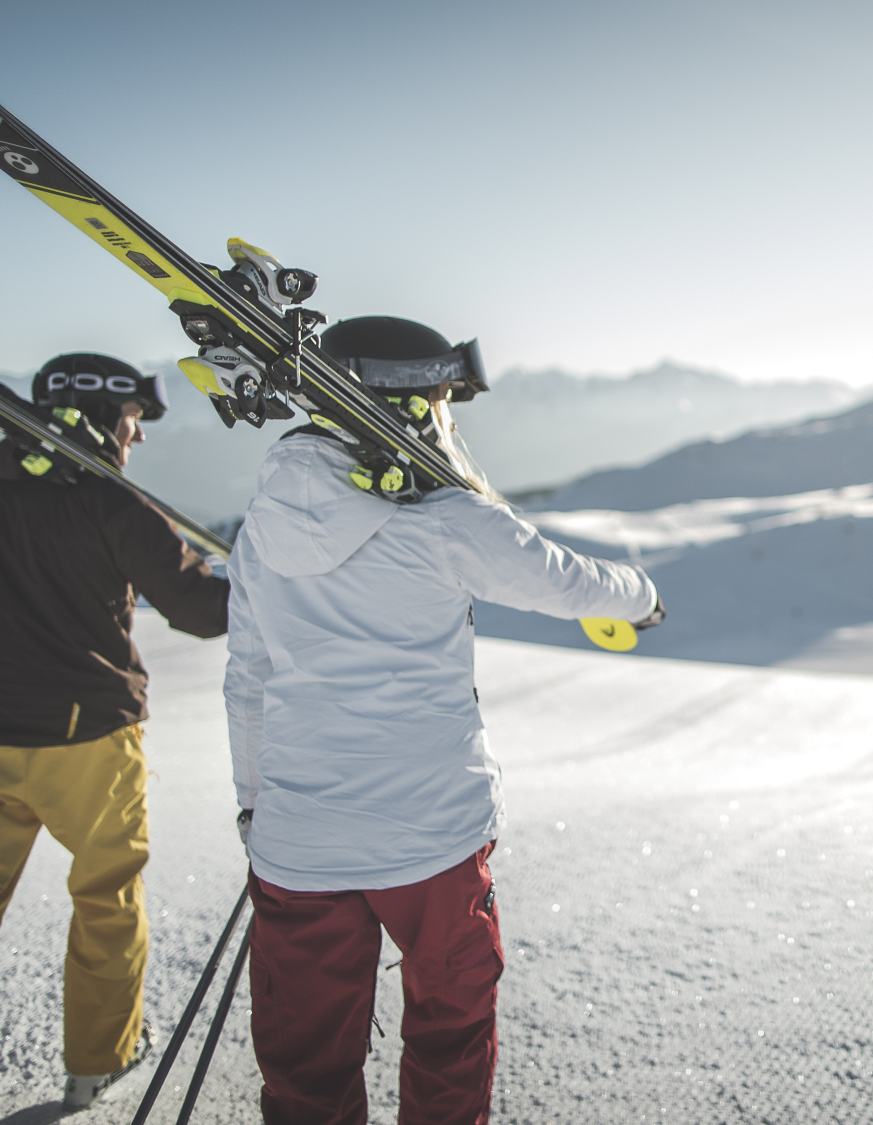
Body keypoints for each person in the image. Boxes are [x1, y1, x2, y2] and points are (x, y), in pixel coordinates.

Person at [224, 316, 660, 1124]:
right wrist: (642, 594)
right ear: (411, 408)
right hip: (431, 839)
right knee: (450, 1030)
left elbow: (247, 678)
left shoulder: (263, 528)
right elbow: (565, 581)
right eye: (440, 400)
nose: (447, 419)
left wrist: (257, 799)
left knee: (303, 1058)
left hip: (300, 837)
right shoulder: (448, 521)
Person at [0, 354, 230, 1125]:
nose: (136, 439)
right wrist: (263, 577)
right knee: (108, 898)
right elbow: (204, 611)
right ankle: (97, 1066)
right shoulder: (118, 505)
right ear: (107, 417)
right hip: (93, 747)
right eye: (135, 421)